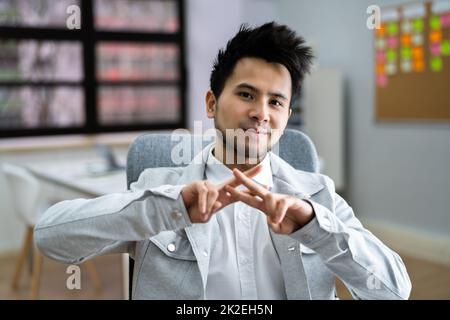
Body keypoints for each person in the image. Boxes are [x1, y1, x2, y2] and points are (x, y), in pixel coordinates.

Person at [35, 22, 411, 300]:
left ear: (286, 114)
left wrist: (317, 229)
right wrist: (166, 209)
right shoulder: (159, 187)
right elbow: (51, 238)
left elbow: (394, 292)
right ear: (212, 103)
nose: (261, 113)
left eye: (276, 101)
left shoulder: (317, 195)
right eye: (246, 94)